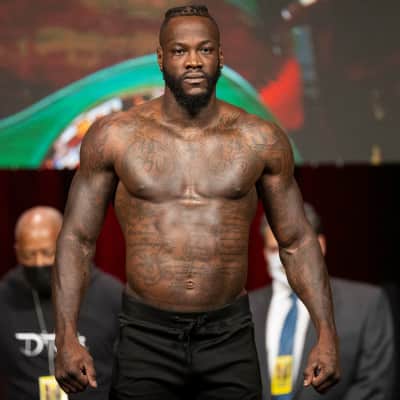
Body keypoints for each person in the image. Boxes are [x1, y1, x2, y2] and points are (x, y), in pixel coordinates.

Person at [53, 5, 340, 400]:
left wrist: (326, 333)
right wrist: (65, 335)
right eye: (179, 50)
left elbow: (296, 241)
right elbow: (77, 239)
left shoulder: (259, 139)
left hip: (228, 334)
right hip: (145, 334)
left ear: (220, 57)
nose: (193, 61)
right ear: (160, 58)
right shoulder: (115, 137)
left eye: (204, 50)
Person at [249, 203, 394, 400]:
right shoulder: (246, 308)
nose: (284, 259)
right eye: (275, 250)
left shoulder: (366, 304)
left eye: (293, 248)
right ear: (264, 253)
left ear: (320, 245)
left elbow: (375, 385)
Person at [0, 206, 123, 400]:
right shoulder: (5, 295)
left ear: (65, 248)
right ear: (17, 252)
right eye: (29, 255)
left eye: (47, 253)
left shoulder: (111, 295)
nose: (39, 262)